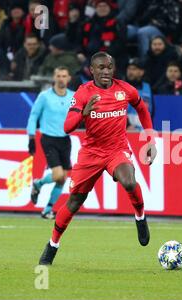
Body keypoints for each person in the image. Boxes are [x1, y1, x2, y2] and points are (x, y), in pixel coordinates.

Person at [38, 52, 156, 265]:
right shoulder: (84, 93)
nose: (105, 71)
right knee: (74, 202)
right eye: (100, 67)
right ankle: (53, 244)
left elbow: (141, 108)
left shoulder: (125, 90)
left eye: (109, 67)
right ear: (91, 70)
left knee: (129, 181)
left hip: (116, 150)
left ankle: (140, 217)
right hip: (91, 153)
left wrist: (150, 138)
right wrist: (83, 114)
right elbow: (67, 127)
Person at [27, 67, 75, 219]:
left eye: (64, 76)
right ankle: (38, 183)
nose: (61, 79)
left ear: (69, 78)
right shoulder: (45, 96)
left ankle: (47, 210)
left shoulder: (73, 97)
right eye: (58, 76)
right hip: (49, 138)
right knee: (58, 174)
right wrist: (31, 137)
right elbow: (34, 116)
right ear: (54, 78)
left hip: (65, 139)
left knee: (62, 178)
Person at [126, 58, 154, 131]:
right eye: (129, 69)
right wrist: (127, 125)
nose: (130, 72)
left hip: (143, 133)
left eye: (134, 69)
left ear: (141, 72)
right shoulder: (121, 88)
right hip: (126, 132)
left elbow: (152, 111)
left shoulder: (147, 88)